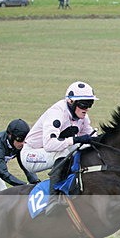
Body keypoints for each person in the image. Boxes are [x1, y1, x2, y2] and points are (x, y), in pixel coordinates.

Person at [21, 81, 99, 215]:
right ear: (70, 102)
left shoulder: (83, 117)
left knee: (84, 148)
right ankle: (52, 199)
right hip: (31, 155)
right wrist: (75, 139)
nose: (86, 108)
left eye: (90, 104)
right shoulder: (56, 113)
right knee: (62, 152)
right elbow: (50, 144)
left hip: (51, 152)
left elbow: (91, 137)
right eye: (83, 104)